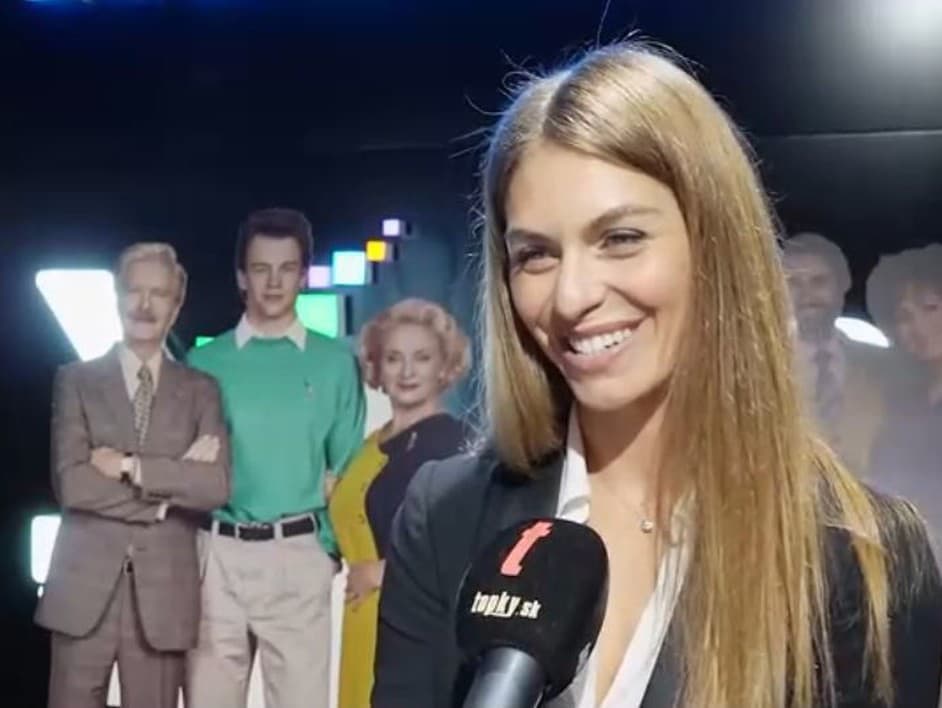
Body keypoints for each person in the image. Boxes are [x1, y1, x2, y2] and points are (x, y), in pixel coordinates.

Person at [372, 43, 942, 708]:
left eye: (620, 239)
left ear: (715, 247)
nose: (571, 296)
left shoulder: (869, 559)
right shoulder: (445, 517)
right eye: (536, 255)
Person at [36, 243, 230, 708]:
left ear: (176, 307)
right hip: (83, 594)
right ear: (117, 297)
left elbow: (214, 487)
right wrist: (170, 491)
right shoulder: (75, 380)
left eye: (158, 294)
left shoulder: (202, 390)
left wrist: (130, 468)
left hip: (163, 599)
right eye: (134, 291)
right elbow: (74, 485)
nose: (145, 305)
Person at [185, 208, 365, 708]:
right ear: (241, 277)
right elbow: (186, 468)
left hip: (298, 551)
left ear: (303, 275)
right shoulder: (204, 363)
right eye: (261, 268)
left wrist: (325, 550)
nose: (273, 282)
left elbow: (348, 468)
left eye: (286, 269)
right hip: (217, 552)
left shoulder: (334, 363)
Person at [328, 298, 472, 708]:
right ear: (377, 366)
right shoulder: (370, 446)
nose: (407, 371)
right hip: (364, 624)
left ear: (445, 366)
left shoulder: (456, 445)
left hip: (415, 628)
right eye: (393, 358)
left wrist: (383, 571)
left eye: (422, 358)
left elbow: (468, 549)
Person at [782, 232, 886, 477]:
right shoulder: (756, 368)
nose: (807, 295)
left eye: (819, 281)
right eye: (793, 283)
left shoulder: (883, 366)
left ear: (843, 284)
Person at [866, 244, 942, 563]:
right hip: (907, 558)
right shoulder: (897, 398)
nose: (918, 326)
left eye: (930, 307)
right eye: (904, 316)